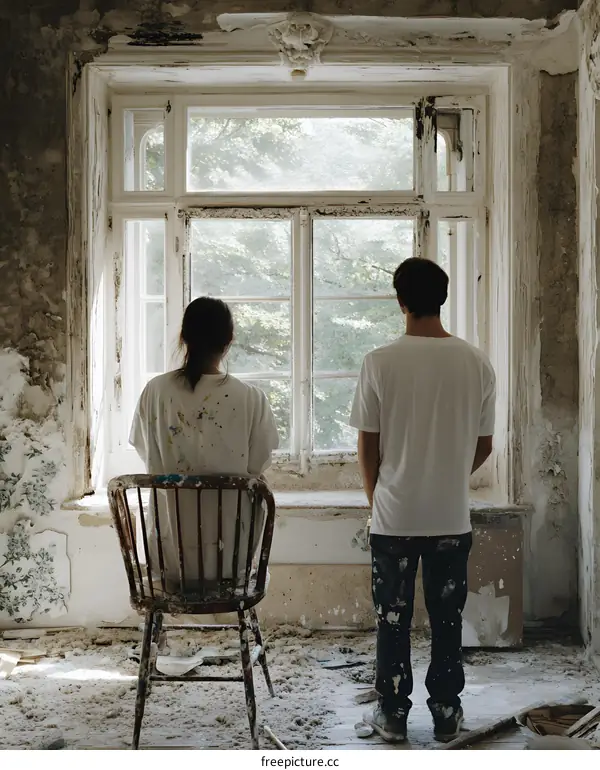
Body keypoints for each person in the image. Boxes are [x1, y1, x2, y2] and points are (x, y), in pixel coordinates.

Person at [349, 257, 495, 744]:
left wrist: (376, 498)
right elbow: (484, 446)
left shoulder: (379, 362)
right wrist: (447, 477)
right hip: (450, 517)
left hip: (394, 518)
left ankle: (392, 714)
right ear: (443, 299)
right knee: (447, 620)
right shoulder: (476, 362)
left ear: (400, 301)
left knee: (392, 620)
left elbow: (368, 445)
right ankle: (447, 712)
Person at [130, 296, 279, 590]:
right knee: (257, 488)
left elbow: (144, 450)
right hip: (229, 562)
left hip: (170, 561)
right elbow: (258, 464)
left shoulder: (155, 392)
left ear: (184, 337)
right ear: (229, 339)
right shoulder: (251, 398)